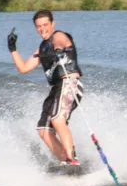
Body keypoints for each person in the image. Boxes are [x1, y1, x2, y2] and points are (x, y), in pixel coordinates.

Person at [8, 10, 84, 165]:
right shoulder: (41, 48)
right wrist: (12, 49)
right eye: (38, 26)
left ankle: (71, 159)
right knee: (43, 130)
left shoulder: (59, 35)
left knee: (57, 119)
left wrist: (57, 49)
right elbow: (23, 68)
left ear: (52, 24)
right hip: (56, 88)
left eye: (45, 25)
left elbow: (60, 40)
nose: (42, 29)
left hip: (69, 84)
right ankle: (64, 160)